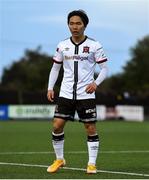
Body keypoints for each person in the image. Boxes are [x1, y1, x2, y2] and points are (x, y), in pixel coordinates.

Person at [47, 9, 108, 174]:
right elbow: (55, 68)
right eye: (71, 23)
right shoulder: (62, 45)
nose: (75, 27)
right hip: (66, 93)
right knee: (57, 125)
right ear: (68, 25)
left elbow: (104, 69)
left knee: (90, 128)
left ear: (85, 25)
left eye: (78, 23)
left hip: (86, 94)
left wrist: (96, 83)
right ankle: (59, 159)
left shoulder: (95, 45)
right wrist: (50, 87)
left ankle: (92, 164)